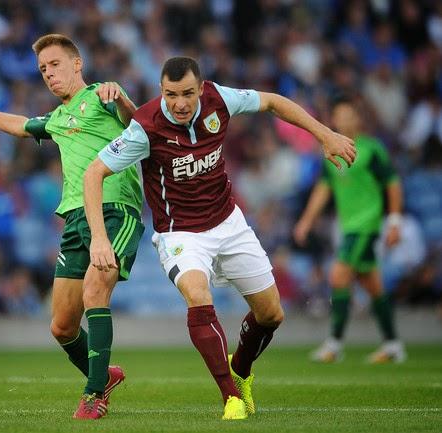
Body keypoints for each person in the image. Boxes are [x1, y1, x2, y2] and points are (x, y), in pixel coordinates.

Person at [83, 57, 356, 420]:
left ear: (201, 88)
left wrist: (325, 134)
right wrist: (99, 238)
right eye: (170, 94)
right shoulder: (145, 126)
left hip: (229, 223)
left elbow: (273, 101)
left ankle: (240, 370)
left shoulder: (219, 100)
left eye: (187, 94)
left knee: (272, 314)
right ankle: (231, 397)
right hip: (180, 232)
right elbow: (94, 173)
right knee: (197, 294)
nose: (179, 103)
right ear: (161, 91)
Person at [0, 34, 145, 419]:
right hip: (76, 218)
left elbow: (137, 125)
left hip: (116, 209)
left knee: (97, 292)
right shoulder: (58, 119)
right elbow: (20, 126)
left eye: (55, 64)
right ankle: (105, 375)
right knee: (62, 327)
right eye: (43, 69)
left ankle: (94, 394)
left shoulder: (102, 95)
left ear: (77, 64)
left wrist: (123, 99)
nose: (48, 73)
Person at [293, 96, 406, 364]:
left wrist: (394, 222)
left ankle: (334, 344)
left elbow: (392, 183)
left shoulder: (371, 149)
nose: (343, 120)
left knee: (339, 275)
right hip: (348, 226)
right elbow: (324, 188)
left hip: (366, 225)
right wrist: (306, 221)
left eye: (349, 115)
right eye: (339, 115)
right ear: (333, 119)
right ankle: (392, 345)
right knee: (373, 285)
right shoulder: (330, 149)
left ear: (358, 118)